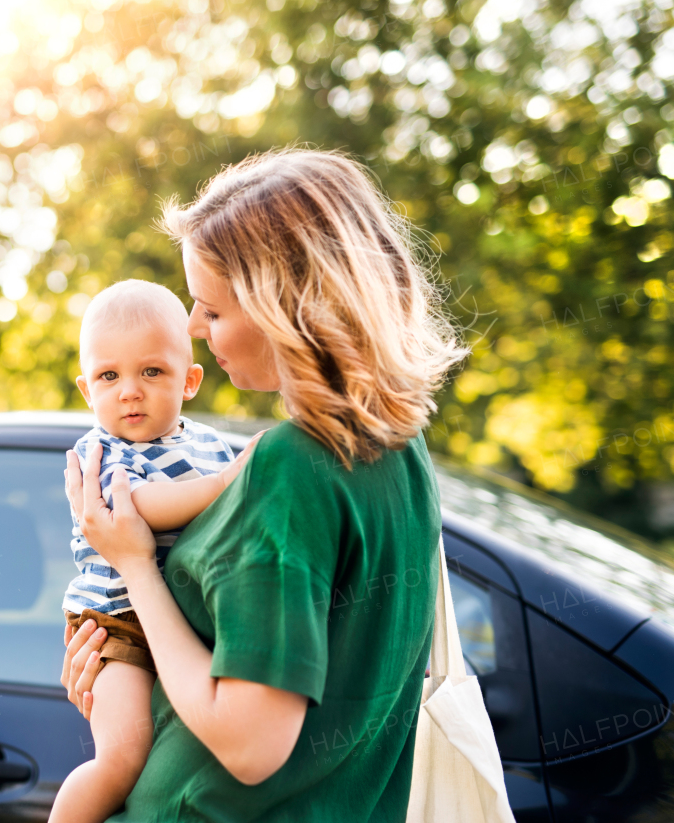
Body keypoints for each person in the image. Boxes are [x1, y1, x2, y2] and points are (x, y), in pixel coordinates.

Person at [61, 148, 470, 821]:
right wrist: (125, 676)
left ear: (286, 306)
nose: (194, 327)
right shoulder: (399, 446)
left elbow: (249, 744)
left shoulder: (288, 464)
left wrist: (134, 566)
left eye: (214, 309)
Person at [51, 279, 258, 823]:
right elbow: (137, 508)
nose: (129, 391)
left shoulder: (210, 445)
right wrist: (226, 484)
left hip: (175, 622)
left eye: (151, 371)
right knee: (121, 758)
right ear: (86, 389)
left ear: (189, 381)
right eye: (109, 376)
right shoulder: (100, 450)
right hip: (113, 622)